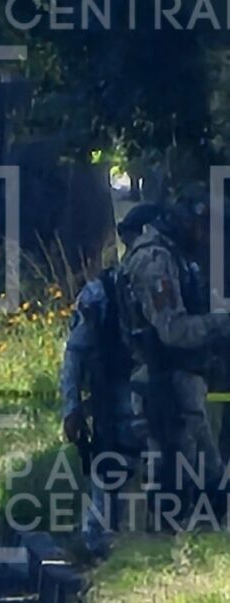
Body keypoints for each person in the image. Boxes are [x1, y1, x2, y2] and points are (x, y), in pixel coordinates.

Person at [118, 186, 230, 530]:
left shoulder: (174, 256)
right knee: (181, 478)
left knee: (206, 479)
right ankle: (170, 551)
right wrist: (222, 321)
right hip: (165, 383)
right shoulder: (156, 261)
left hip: (182, 383)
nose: (204, 236)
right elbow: (173, 330)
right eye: (202, 226)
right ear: (186, 221)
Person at [61, 203, 162, 556]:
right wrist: (71, 406)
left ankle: (153, 548)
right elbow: (75, 352)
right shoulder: (101, 292)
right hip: (116, 399)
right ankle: (98, 550)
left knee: (163, 476)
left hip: (167, 398)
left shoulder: (182, 277)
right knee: (109, 477)